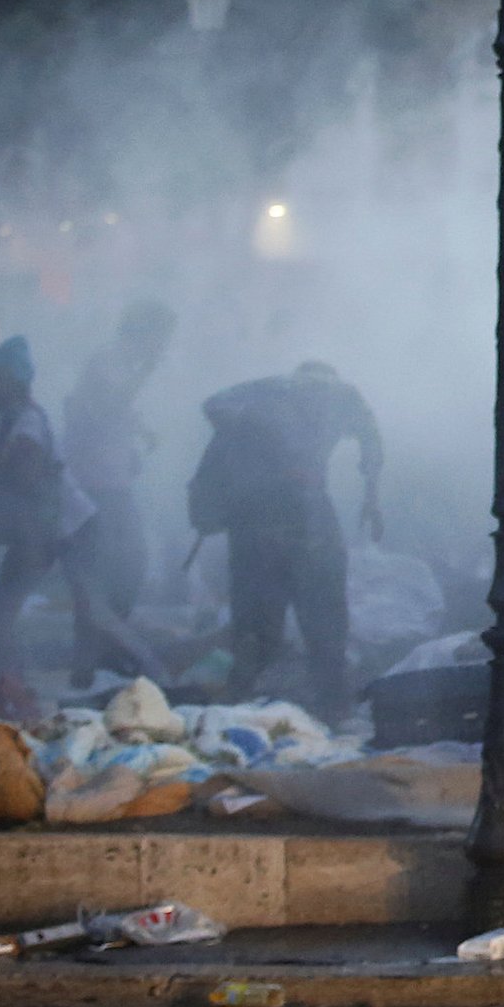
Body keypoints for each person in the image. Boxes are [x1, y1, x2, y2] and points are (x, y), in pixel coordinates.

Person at [190, 361, 382, 713]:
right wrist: (371, 495)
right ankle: (323, 707)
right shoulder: (327, 397)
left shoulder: (262, 397)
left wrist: (371, 494)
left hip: (261, 526)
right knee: (318, 625)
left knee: (265, 629)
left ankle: (245, 705)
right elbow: (371, 437)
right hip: (295, 523)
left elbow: (213, 407)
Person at [0, 335, 96, 712]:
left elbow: (29, 479)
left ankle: (13, 686)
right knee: (11, 608)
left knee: (5, 609)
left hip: (56, 531)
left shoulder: (25, 425)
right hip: (53, 531)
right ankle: (12, 681)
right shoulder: (15, 422)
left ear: (10, 383)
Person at [58, 300, 175, 683]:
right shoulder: (108, 360)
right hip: (93, 484)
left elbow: (117, 415)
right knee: (107, 572)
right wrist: (147, 371)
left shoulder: (122, 364)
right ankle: (88, 664)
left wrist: (138, 439)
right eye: (161, 337)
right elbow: (107, 407)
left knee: (128, 566)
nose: (164, 345)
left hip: (112, 480)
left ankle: (99, 657)